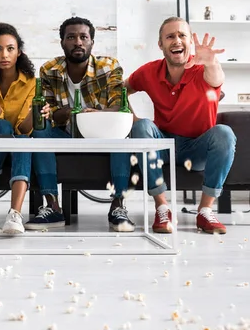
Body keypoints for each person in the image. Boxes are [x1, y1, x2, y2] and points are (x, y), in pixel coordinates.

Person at [124, 16, 236, 235]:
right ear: (161, 44)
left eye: (182, 35)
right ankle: (162, 208)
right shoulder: (148, 72)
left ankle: (205, 211)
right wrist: (132, 118)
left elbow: (216, 77)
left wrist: (211, 62)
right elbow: (121, 90)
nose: (177, 40)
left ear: (189, 42)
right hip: (163, 144)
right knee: (142, 126)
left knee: (224, 133)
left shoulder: (204, 69)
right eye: (170, 36)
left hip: (196, 149)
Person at [26, 16, 134, 232]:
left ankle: (118, 206)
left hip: (103, 134)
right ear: (62, 42)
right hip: (66, 133)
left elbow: (120, 106)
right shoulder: (49, 69)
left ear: (92, 42)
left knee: (122, 135)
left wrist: (94, 115)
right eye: (71, 37)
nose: (78, 42)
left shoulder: (108, 66)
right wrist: (69, 112)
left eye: (84, 37)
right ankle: (53, 207)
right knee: (39, 133)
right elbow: (49, 114)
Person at [0, 23, 50, 235]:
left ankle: (14, 213)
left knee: (23, 140)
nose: (4, 55)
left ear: (19, 52)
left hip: (19, 140)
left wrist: (37, 115)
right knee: (3, 124)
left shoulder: (32, 83)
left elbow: (24, 129)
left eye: (10, 48)